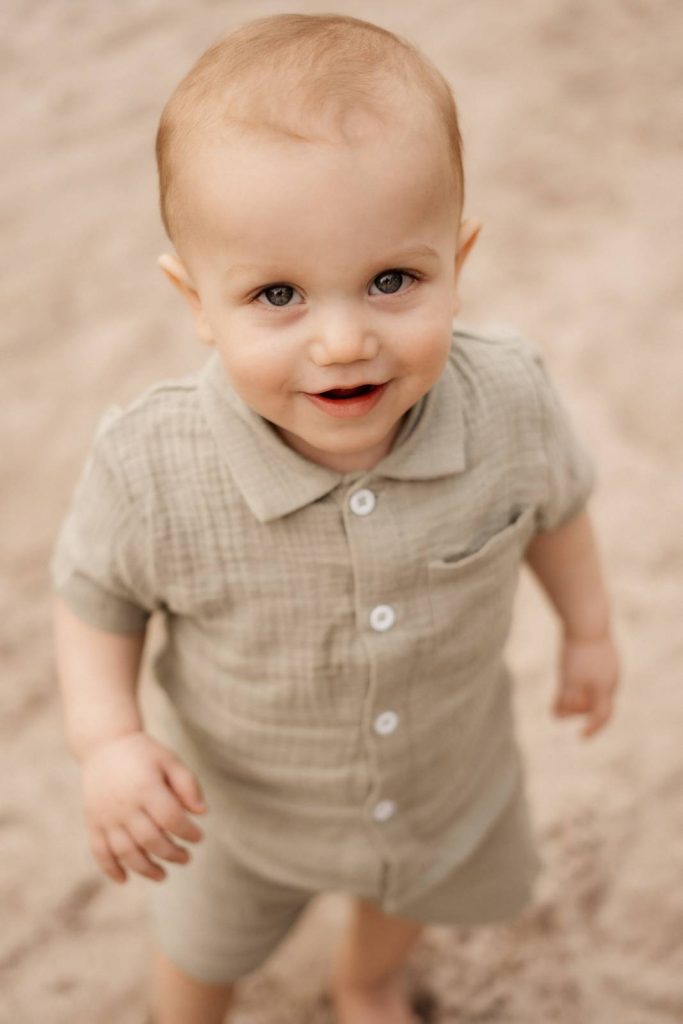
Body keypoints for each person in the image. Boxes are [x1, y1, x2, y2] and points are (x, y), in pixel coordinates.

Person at [49, 13, 620, 1024]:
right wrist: (108, 741)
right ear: (196, 301)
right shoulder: (151, 464)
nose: (345, 339)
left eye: (392, 280)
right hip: (235, 809)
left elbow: (556, 511)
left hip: (442, 776)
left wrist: (588, 628)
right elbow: (94, 596)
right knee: (202, 948)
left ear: (458, 260)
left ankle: (367, 977)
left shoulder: (509, 399)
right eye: (278, 294)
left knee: (409, 892)